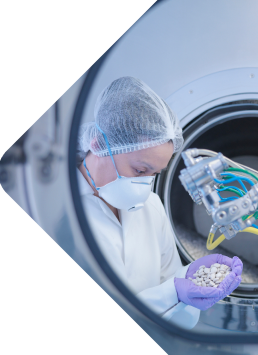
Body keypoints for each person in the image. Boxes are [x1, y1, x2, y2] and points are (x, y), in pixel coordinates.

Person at [76, 76, 243, 330]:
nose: (144, 184)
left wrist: (188, 281)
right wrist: (173, 293)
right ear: (99, 144)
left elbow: (172, 299)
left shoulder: (151, 206)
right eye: (140, 170)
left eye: (154, 174)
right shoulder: (58, 213)